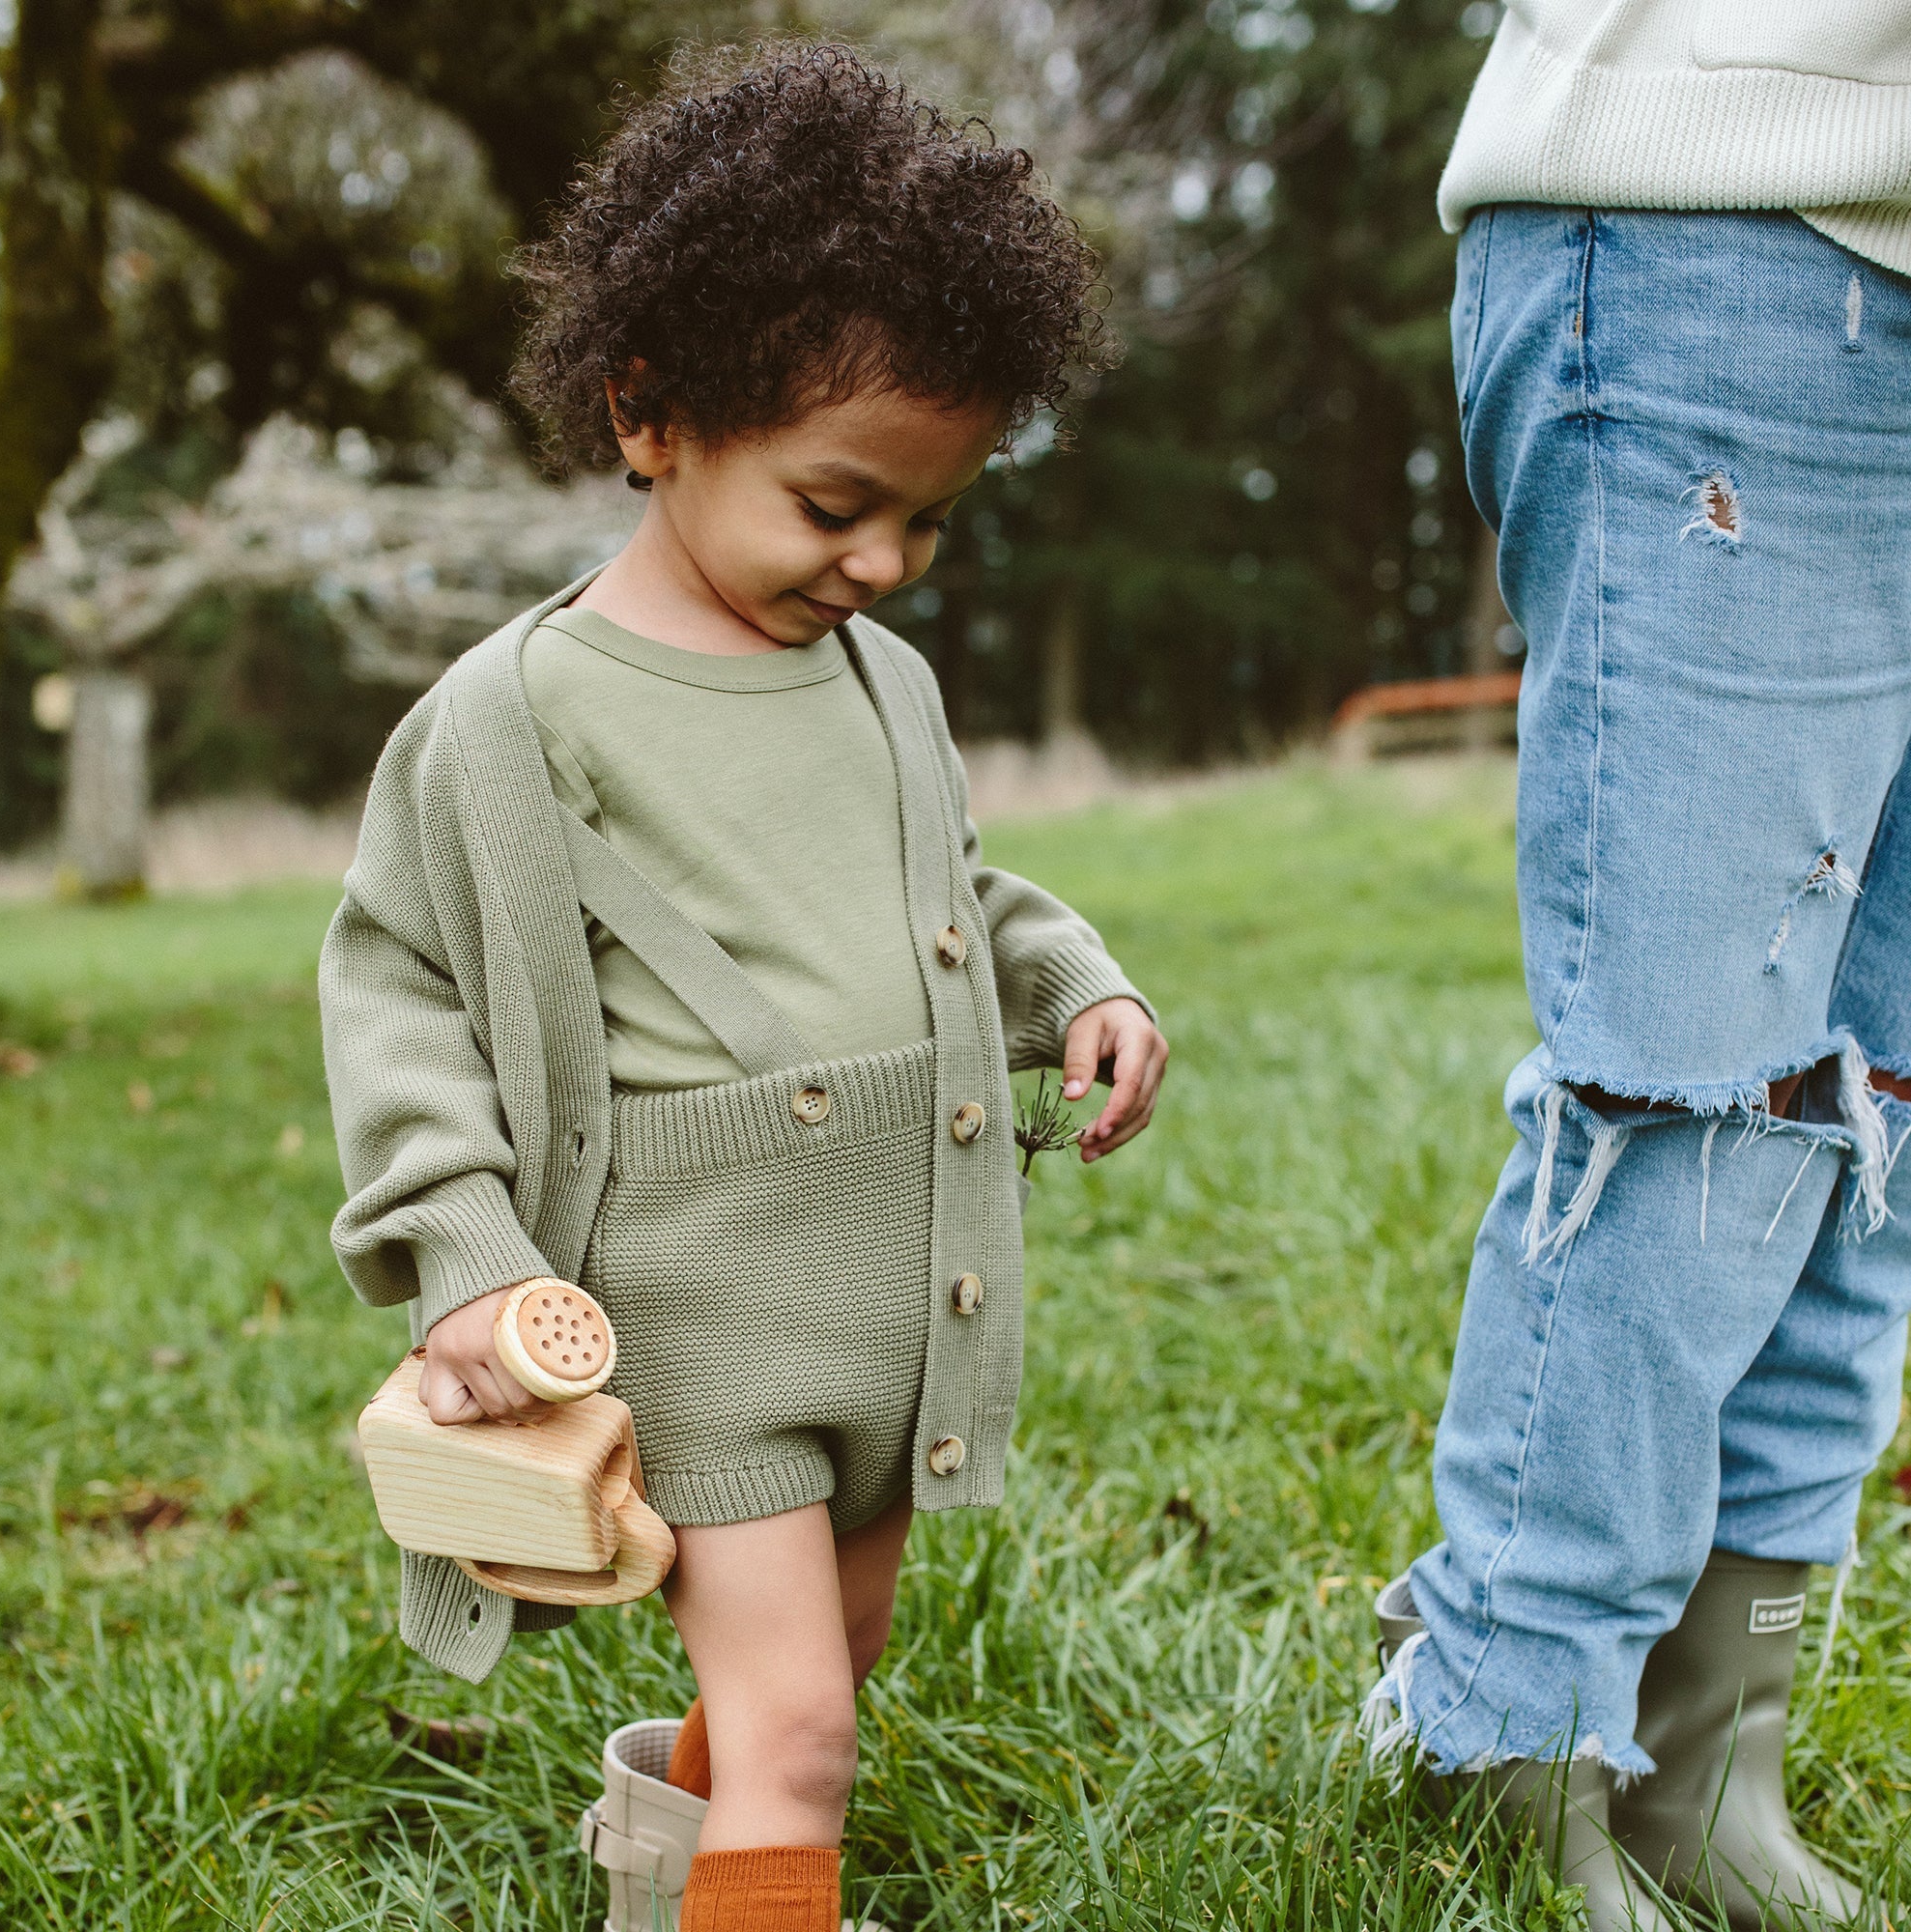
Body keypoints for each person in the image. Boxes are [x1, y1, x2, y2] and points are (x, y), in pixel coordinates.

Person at [319, 43, 1167, 1932]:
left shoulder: (886, 682)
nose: (879, 562)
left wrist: (1073, 985)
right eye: (836, 504)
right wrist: (465, 1255)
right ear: (649, 413)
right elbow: (400, 992)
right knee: (799, 1733)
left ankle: (673, 1890)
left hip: (889, 1281)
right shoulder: (513, 717)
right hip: (691, 1297)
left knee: (804, 1692)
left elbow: (946, 894)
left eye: (927, 522)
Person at [1366, 7, 1911, 1928]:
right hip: (1736, 229)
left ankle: (1710, 1744)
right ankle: (1507, 1743)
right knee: (1694, 1091)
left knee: (1885, 1110)